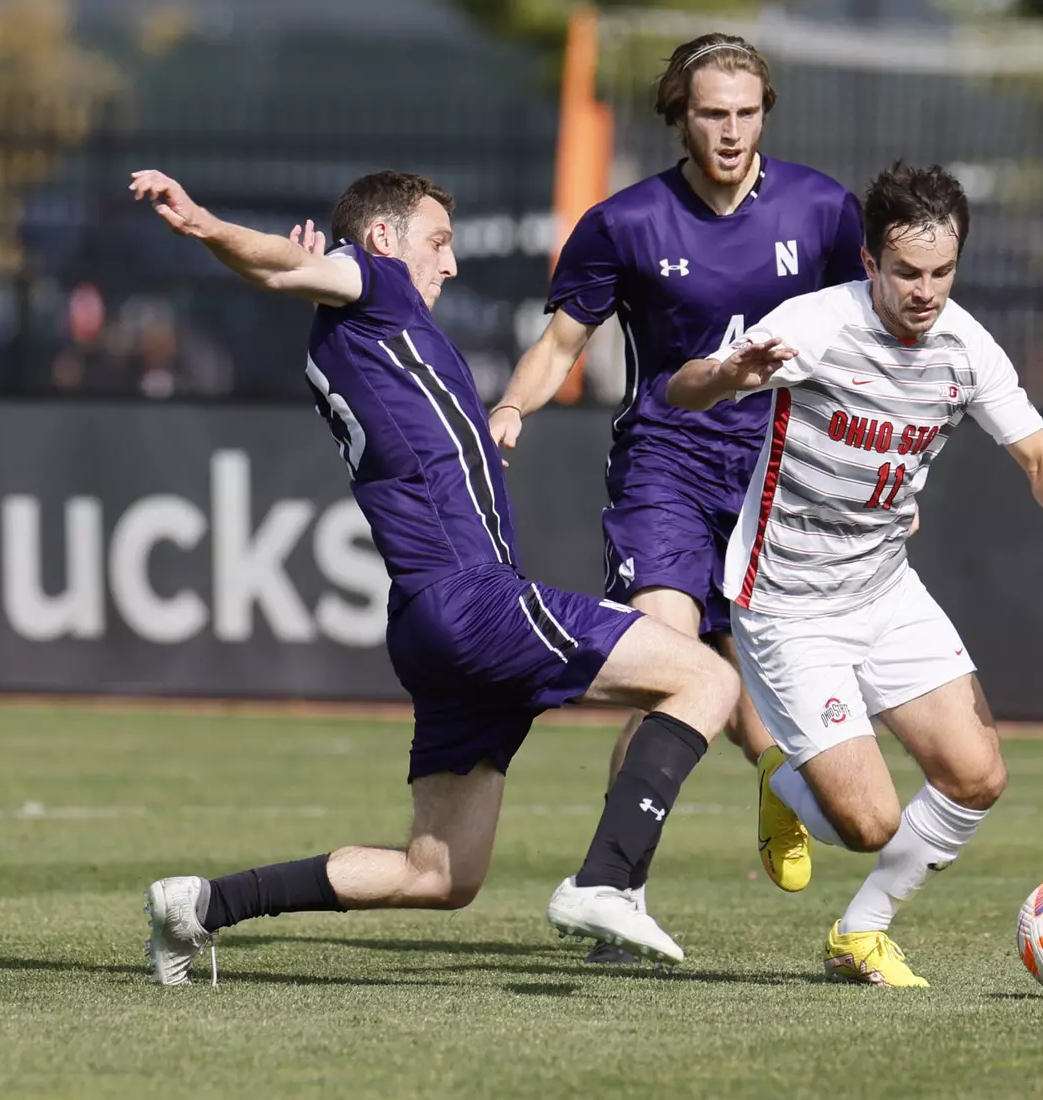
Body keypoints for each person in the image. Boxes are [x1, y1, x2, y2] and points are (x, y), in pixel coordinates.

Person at [129, 167, 739, 985]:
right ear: (383, 241)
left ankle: (200, 906)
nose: (451, 264)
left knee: (440, 874)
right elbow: (279, 264)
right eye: (439, 242)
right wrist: (205, 223)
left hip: (428, 620)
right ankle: (608, 881)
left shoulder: (362, 325)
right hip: (472, 600)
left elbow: (298, 276)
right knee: (704, 679)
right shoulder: (377, 288)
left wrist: (495, 424)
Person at [666, 161, 1043, 987]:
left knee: (977, 776)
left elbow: (1041, 454)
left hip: (884, 589)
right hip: (789, 603)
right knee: (866, 823)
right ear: (869, 262)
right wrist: (731, 373)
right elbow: (682, 390)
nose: (926, 290)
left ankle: (859, 935)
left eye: (942, 272)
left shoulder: (966, 347)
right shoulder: (817, 324)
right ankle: (778, 775)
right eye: (906, 272)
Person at [493, 32, 864, 960]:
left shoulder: (823, 211)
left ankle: (695, 823)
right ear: (679, 114)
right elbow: (559, 348)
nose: (731, 132)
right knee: (668, 663)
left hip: (779, 478)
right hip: (665, 466)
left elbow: (863, 345)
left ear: (764, 112)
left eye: (745, 113)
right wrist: (510, 403)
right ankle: (619, 886)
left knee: (726, 683)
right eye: (712, 113)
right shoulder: (624, 224)